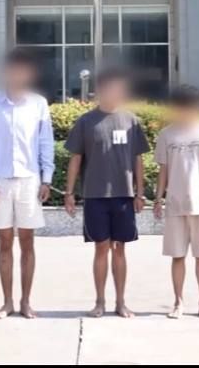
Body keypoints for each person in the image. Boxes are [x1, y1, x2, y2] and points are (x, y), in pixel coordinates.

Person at [64, 69, 149, 318]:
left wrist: (140, 193)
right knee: (101, 247)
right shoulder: (86, 121)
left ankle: (121, 302)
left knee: (120, 248)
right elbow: (76, 158)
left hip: (124, 195)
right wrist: (69, 192)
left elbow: (138, 159)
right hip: (95, 195)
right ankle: (99, 302)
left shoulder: (131, 120)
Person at [0, 48, 54, 319]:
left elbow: (45, 143)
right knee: (5, 242)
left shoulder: (38, 104)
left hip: (29, 180)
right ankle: (7, 302)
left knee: (28, 242)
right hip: (0, 181)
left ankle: (26, 302)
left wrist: (47, 178)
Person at [153, 84, 199, 320]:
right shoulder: (166, 134)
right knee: (177, 256)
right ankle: (178, 303)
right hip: (175, 205)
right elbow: (163, 170)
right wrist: (158, 199)